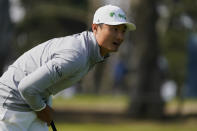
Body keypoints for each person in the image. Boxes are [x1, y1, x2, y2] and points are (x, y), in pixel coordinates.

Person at [0, 4, 136, 131]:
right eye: (114, 29)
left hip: (34, 100)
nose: (120, 36)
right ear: (95, 28)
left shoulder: (91, 52)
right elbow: (26, 88)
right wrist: (42, 108)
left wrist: (43, 105)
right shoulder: (77, 55)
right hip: (12, 102)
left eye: (123, 31)